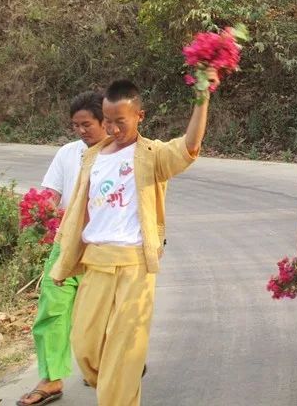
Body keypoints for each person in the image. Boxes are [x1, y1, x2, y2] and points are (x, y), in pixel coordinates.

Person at [50, 72, 219, 406]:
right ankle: (121, 376)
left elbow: (190, 146)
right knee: (84, 348)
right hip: (95, 263)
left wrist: (203, 98)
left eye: (120, 122)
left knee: (124, 352)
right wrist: (63, 262)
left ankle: (122, 384)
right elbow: (78, 214)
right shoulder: (93, 157)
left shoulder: (151, 154)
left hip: (134, 266)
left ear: (140, 116)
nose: (113, 128)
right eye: (108, 121)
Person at [17, 91, 107, 406]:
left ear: (105, 121)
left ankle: (100, 366)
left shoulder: (120, 153)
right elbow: (51, 192)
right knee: (52, 306)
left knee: (100, 311)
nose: (81, 131)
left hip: (103, 245)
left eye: (87, 124)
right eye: (75, 125)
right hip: (66, 243)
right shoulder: (68, 153)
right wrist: (44, 209)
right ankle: (52, 377)